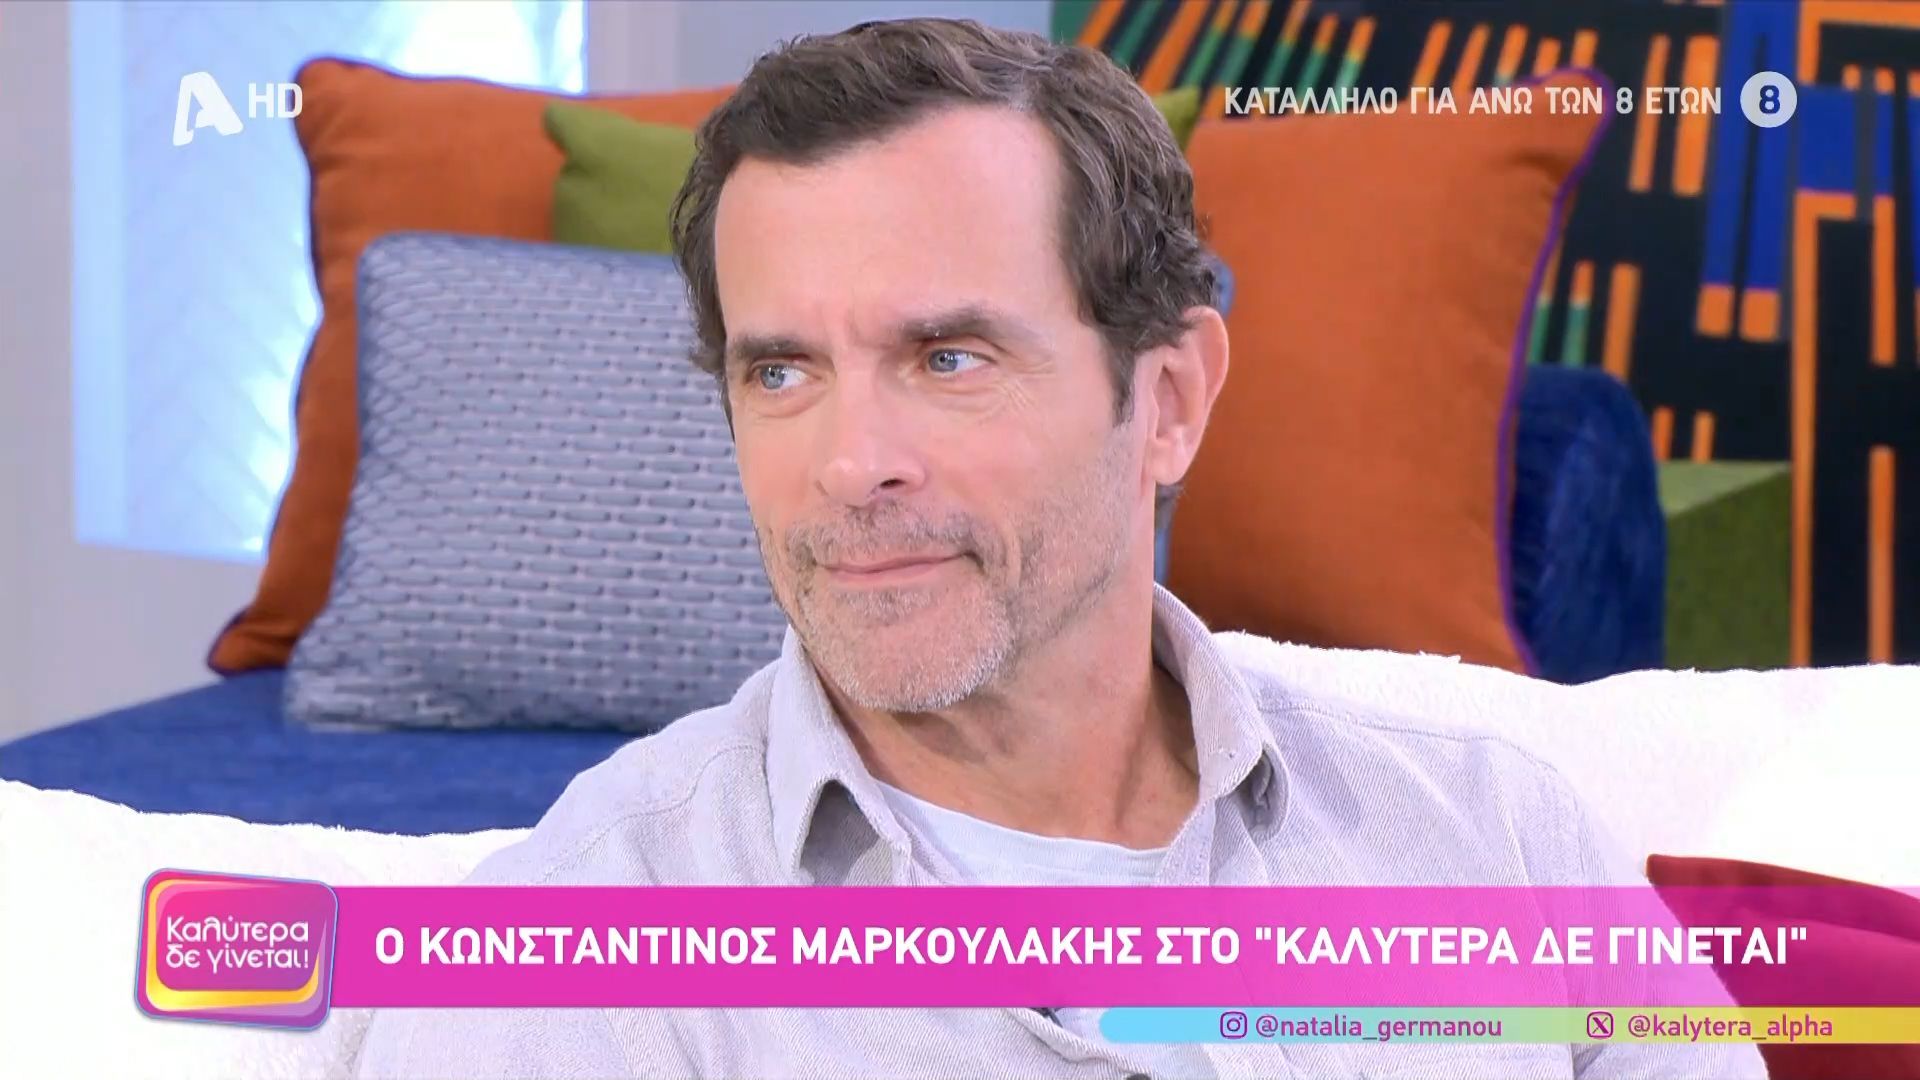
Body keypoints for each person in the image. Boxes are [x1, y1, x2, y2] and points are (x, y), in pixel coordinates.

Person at [355, 18, 1763, 1080]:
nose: (850, 462)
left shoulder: (1497, 841)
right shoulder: (566, 966)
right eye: (780, 372)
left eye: (948, 357)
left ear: (1168, 400)